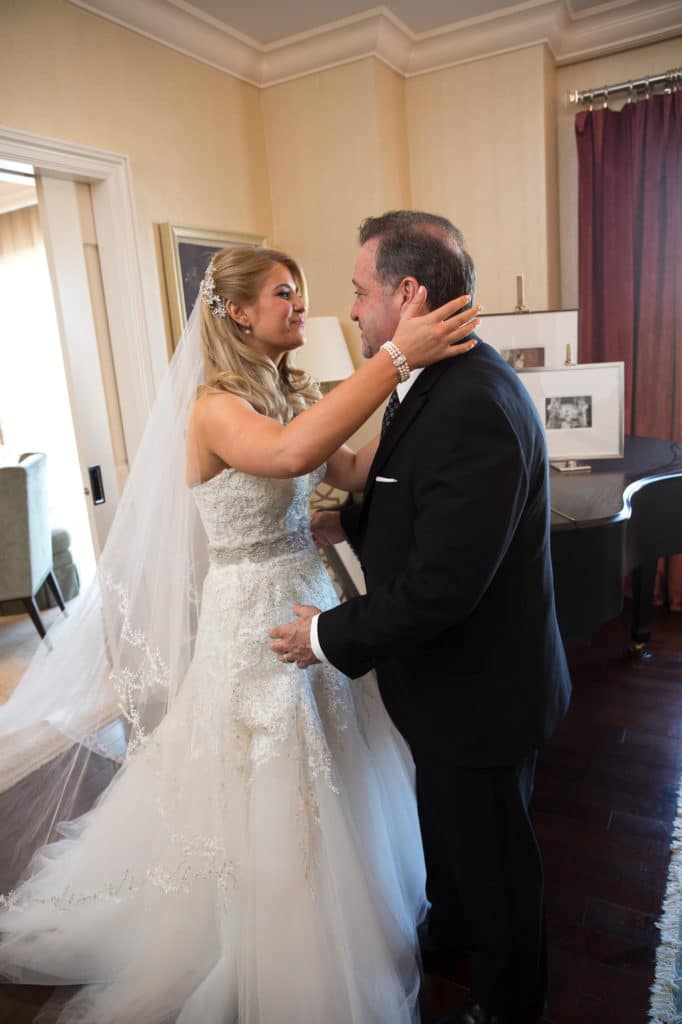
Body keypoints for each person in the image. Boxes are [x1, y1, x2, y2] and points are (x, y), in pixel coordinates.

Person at [0, 244, 479, 1023]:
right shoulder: (216, 407)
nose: (301, 306)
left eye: (304, 292)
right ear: (236, 312)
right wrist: (396, 355)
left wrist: (425, 410)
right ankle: (276, 944)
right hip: (251, 616)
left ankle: (340, 909)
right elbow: (292, 456)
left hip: (309, 596)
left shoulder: (283, 393)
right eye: (285, 293)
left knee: (334, 752)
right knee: (270, 769)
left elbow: (351, 468)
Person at [270, 212, 572, 1024]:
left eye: (363, 293)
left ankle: (509, 1002)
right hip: (452, 687)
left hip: (484, 692)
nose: (356, 311)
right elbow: (414, 505)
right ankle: (454, 930)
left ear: (408, 293)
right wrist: (347, 524)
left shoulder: (470, 399)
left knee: (500, 859)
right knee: (456, 833)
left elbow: (443, 585)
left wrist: (325, 635)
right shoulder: (429, 382)